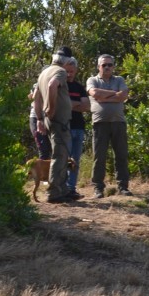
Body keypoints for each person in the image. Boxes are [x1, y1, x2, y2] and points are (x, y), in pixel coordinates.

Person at [33, 48, 74, 203]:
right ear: (67, 61)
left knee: (60, 154)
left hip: (50, 120)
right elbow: (52, 86)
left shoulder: (44, 72)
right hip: (59, 121)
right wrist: (51, 108)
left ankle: (63, 189)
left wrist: (39, 118)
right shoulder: (60, 72)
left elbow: (36, 97)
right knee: (60, 155)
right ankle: (54, 192)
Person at [87, 54, 131, 197]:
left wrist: (104, 97)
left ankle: (123, 187)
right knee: (99, 157)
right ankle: (98, 188)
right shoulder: (92, 80)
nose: (107, 67)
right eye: (104, 65)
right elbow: (94, 93)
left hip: (119, 122)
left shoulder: (119, 79)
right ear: (98, 66)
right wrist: (114, 94)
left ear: (113, 66)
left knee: (121, 155)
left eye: (110, 65)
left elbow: (123, 96)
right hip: (100, 123)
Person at [64, 56, 88, 197]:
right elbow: (61, 105)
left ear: (76, 71)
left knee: (75, 160)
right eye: (67, 71)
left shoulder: (79, 87)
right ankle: (62, 188)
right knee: (63, 160)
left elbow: (86, 106)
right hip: (65, 127)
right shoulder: (61, 86)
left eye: (71, 71)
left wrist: (70, 104)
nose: (69, 74)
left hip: (79, 126)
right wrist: (77, 103)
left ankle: (71, 188)